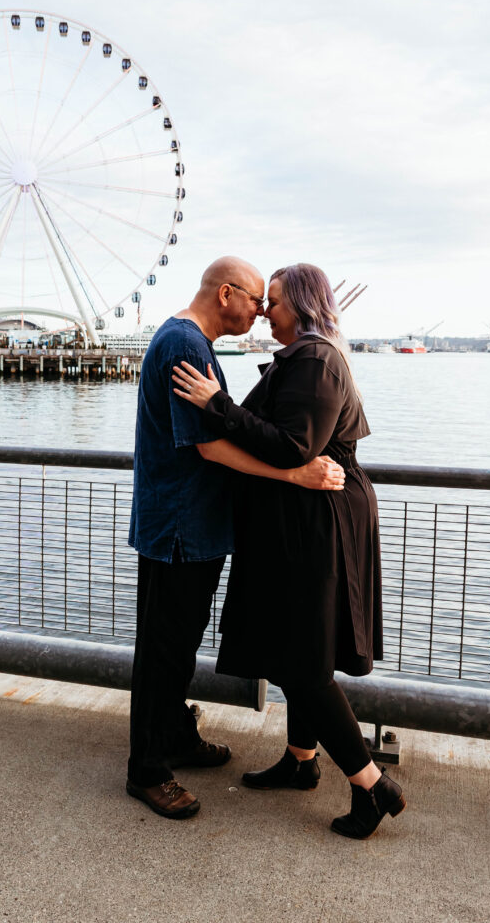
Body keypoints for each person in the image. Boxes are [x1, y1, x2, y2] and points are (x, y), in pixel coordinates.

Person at [172, 263, 406, 839]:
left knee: (300, 660)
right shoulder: (307, 357)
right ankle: (302, 760)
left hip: (317, 523)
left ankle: (372, 785)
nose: (261, 310)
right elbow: (271, 430)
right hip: (306, 517)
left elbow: (294, 446)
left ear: (300, 305)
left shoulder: (317, 360)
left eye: (271, 301)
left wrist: (213, 403)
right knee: (307, 647)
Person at [126, 256, 346, 820]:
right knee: (165, 649)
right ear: (226, 294)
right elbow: (208, 446)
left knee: (179, 643)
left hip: (188, 523)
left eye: (270, 302)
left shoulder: (189, 342)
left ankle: (174, 735)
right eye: (256, 299)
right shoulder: (186, 347)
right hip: (180, 525)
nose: (261, 310)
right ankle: (147, 769)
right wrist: (295, 474)